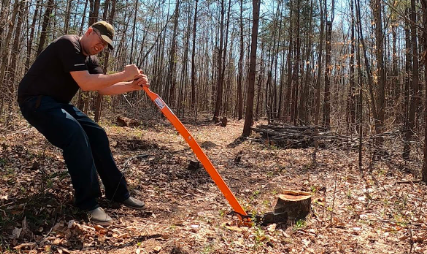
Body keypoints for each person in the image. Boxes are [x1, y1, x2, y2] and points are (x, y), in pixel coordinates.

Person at [18, 21, 149, 225]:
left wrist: (132, 85)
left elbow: (103, 88)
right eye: (100, 41)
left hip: (57, 104)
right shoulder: (68, 44)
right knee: (75, 133)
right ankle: (87, 203)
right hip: (34, 100)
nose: (101, 47)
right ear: (89, 32)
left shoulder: (90, 58)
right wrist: (124, 74)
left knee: (96, 133)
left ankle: (117, 192)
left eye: (105, 45)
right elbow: (87, 84)